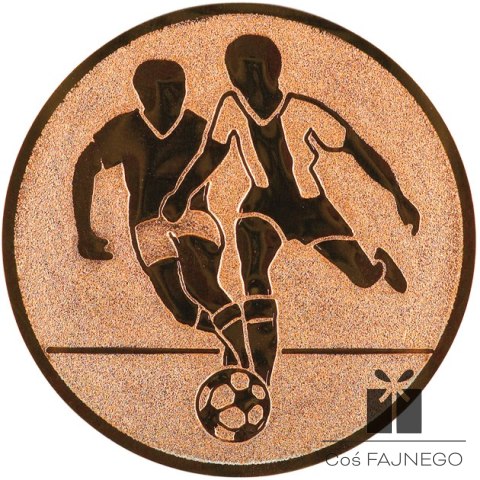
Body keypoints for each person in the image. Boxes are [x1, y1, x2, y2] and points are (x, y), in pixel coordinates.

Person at [163, 35, 420, 384]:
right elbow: (210, 156)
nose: (234, 79)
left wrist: (398, 196)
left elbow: (357, 148)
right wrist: (181, 195)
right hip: (261, 209)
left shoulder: (303, 109)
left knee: (362, 278)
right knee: (253, 277)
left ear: (259, 71)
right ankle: (260, 376)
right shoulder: (232, 107)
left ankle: (379, 267)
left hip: (312, 210)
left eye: (237, 70)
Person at [72, 59, 249, 368]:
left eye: (179, 88)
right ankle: (233, 333)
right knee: (182, 310)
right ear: (145, 93)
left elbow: (230, 149)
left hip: (193, 219)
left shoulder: (198, 127)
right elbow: (85, 168)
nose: (175, 97)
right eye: (166, 90)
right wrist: (84, 232)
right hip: (148, 226)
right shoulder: (126, 128)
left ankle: (248, 354)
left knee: (200, 284)